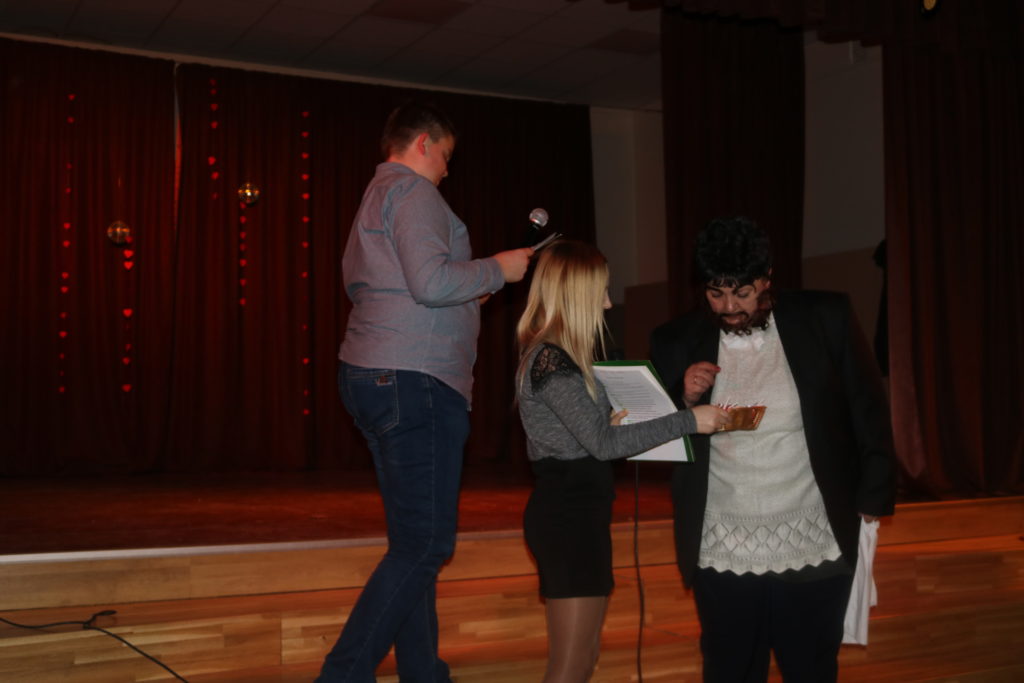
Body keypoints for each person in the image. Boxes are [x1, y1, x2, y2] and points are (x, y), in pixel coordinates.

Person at [317, 101, 534, 682]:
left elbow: (401, 285)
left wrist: (472, 289)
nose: (447, 169)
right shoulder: (413, 192)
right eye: (446, 156)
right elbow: (432, 282)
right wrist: (497, 268)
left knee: (413, 543)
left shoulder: (378, 194)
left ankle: (423, 673)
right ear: (423, 144)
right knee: (425, 546)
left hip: (379, 372)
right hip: (414, 379)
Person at [649, 217, 897, 683]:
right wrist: (684, 399)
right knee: (731, 669)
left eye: (742, 293)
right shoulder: (675, 339)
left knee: (810, 667)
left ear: (767, 279)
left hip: (812, 532)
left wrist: (873, 495)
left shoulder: (824, 317)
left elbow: (868, 406)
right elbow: (655, 444)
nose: (728, 307)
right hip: (722, 540)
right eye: (715, 293)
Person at [515, 239, 730, 683]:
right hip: (566, 517)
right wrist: (690, 420)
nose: (609, 303)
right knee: (570, 668)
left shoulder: (564, 357)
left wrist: (671, 410)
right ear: (575, 293)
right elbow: (603, 444)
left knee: (583, 662)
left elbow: (596, 439)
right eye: (602, 291)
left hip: (580, 514)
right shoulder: (550, 360)